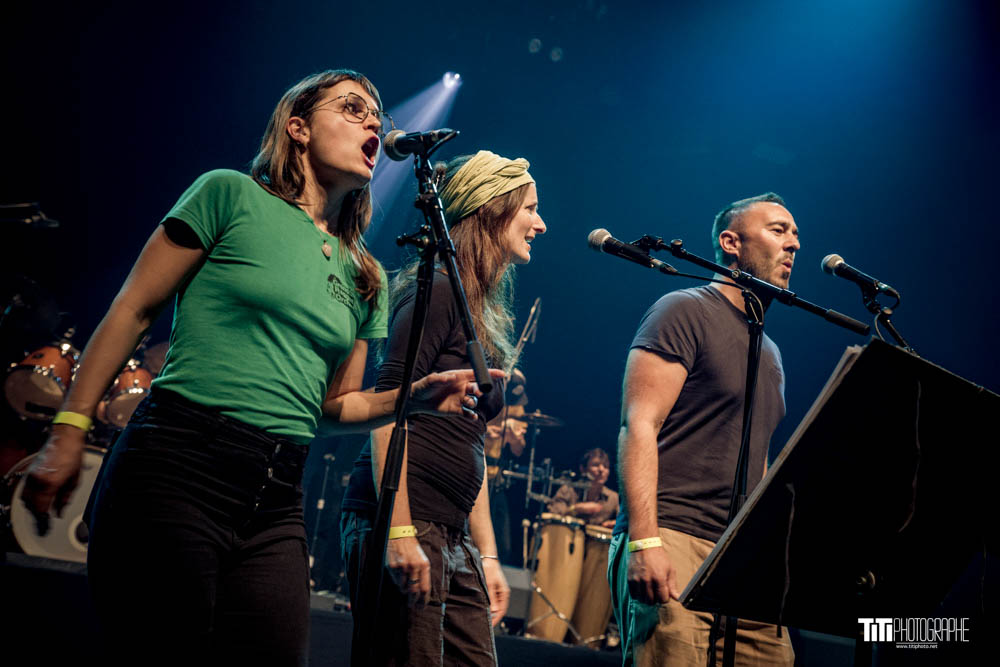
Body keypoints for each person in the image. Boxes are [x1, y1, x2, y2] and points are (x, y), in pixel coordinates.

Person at [20, 69, 494, 666]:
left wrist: (415, 399)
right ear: (297, 128)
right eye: (352, 109)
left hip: (275, 498)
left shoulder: (365, 272)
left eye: (379, 116)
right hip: (179, 464)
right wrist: (69, 429)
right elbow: (132, 310)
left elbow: (335, 406)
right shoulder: (228, 195)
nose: (374, 122)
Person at [340, 150, 547, 665]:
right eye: (530, 208)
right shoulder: (433, 292)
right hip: (409, 518)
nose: (540, 224)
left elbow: (468, 440)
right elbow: (389, 410)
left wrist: (489, 556)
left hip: (452, 532)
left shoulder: (479, 308)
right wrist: (401, 529)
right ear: (492, 208)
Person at [608, 193, 799, 666]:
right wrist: (646, 540)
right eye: (778, 230)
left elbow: (759, 460)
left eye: (795, 235)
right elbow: (639, 424)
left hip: (740, 559)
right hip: (674, 535)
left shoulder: (770, 353)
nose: (793, 244)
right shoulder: (683, 310)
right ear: (730, 242)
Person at [547, 447, 619, 528]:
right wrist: (576, 509)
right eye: (595, 465)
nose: (601, 469)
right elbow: (553, 514)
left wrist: (615, 525)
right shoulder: (568, 490)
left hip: (594, 540)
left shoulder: (613, 498)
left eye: (606, 466)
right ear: (583, 469)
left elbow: (626, 523)